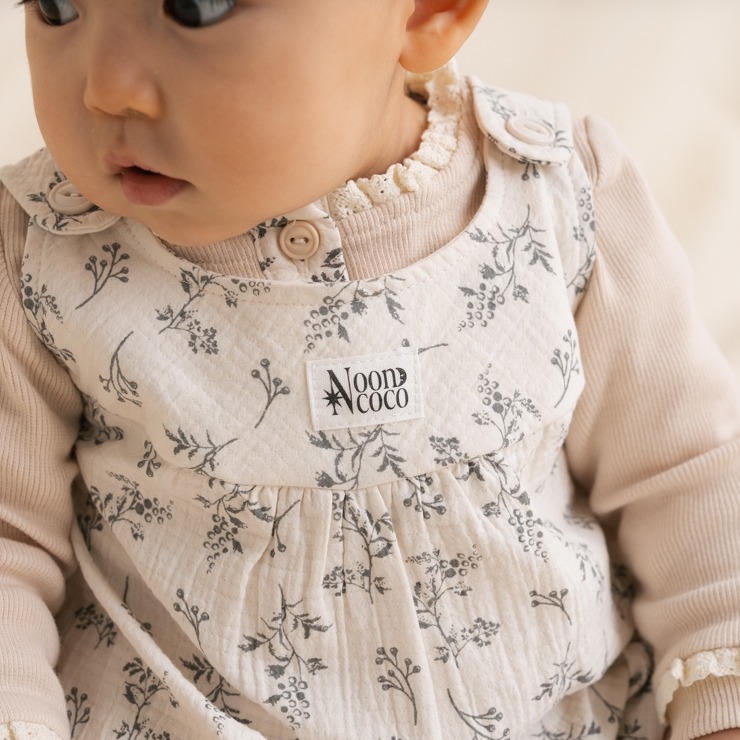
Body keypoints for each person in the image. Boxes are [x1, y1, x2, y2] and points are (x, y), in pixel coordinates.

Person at [1, 0, 739, 738]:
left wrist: (720, 702)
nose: (106, 88)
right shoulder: (44, 253)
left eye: (196, 7)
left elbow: (690, 475)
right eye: (57, 6)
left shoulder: (553, 192)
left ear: (427, 11)